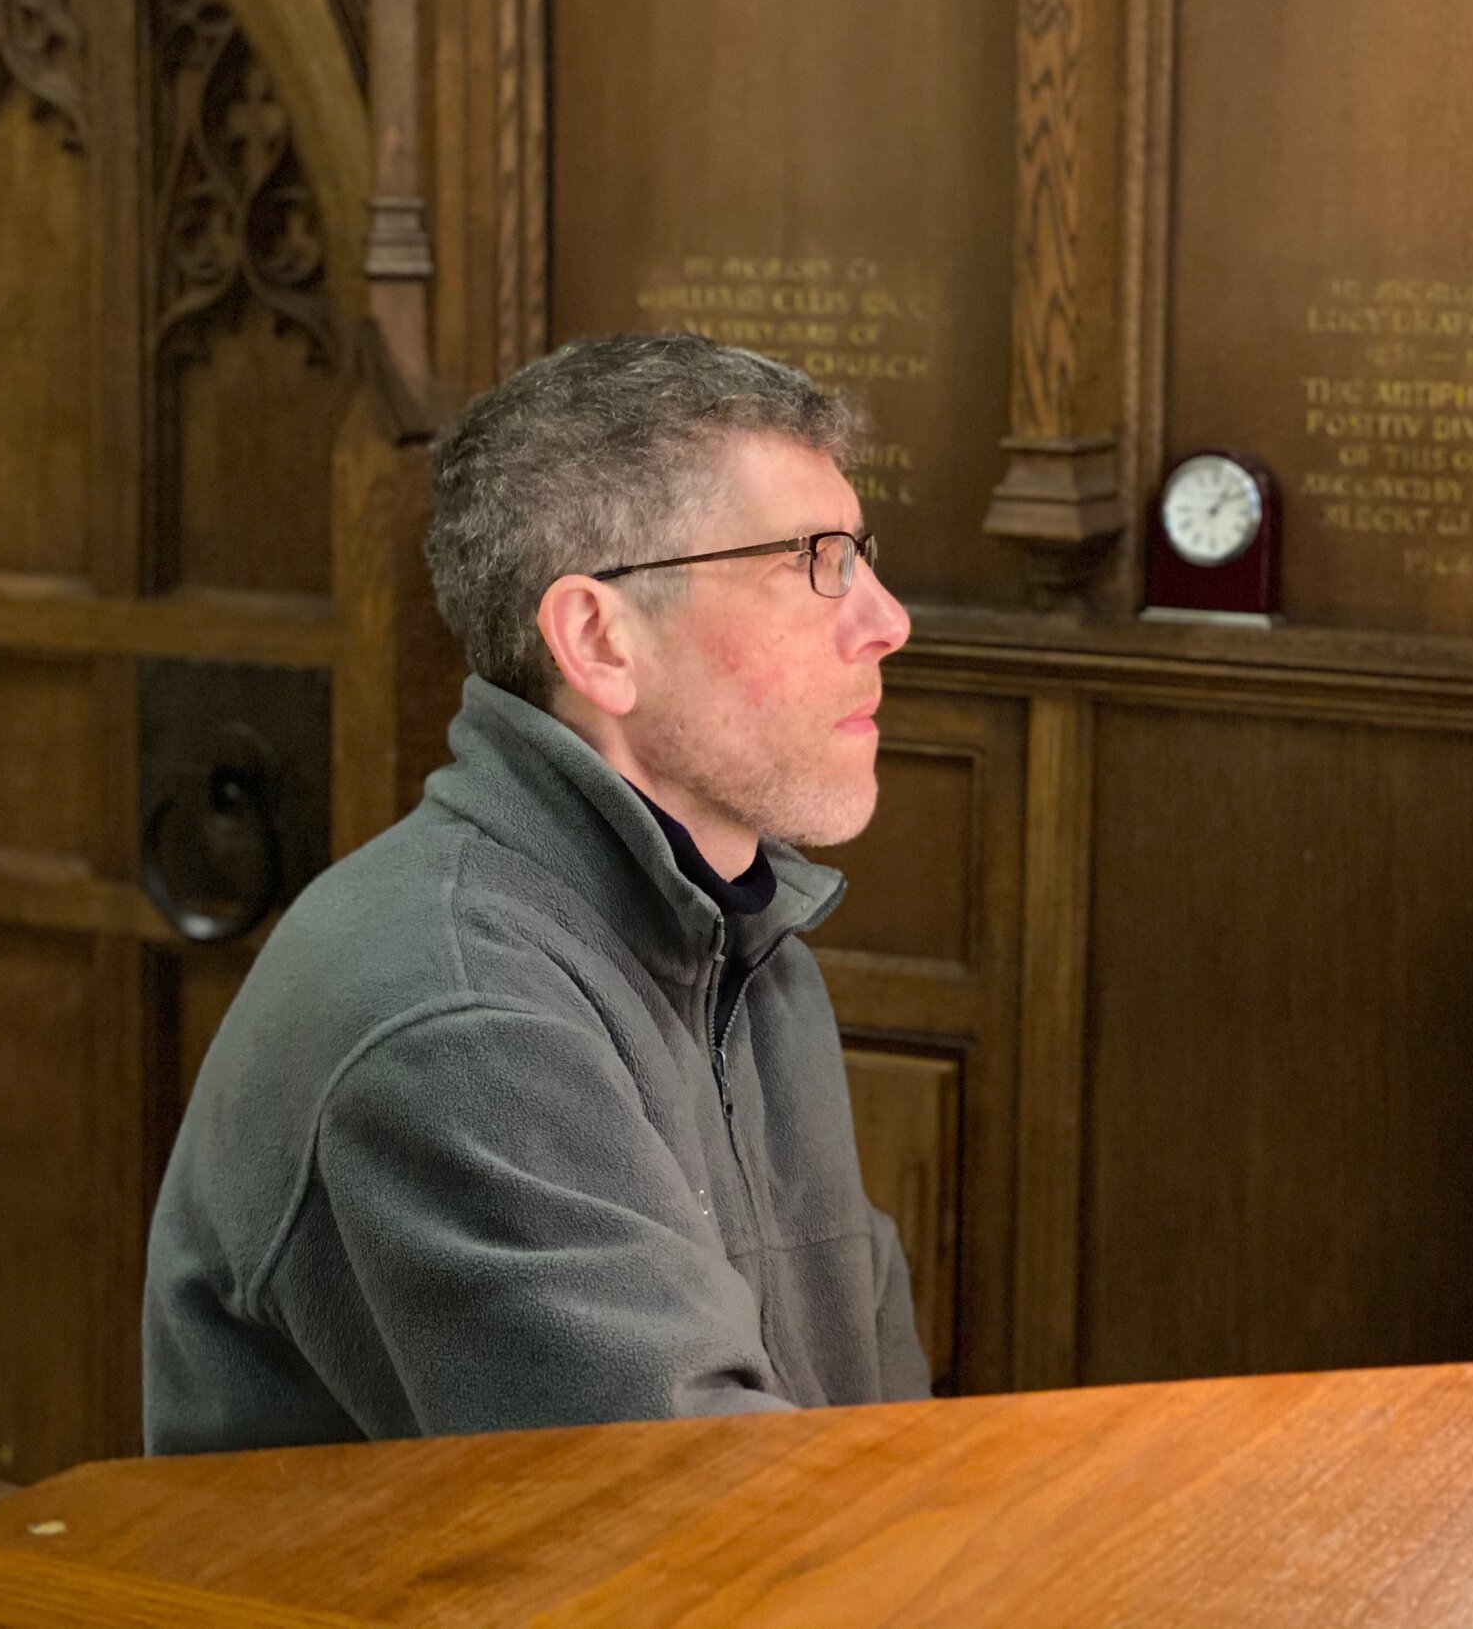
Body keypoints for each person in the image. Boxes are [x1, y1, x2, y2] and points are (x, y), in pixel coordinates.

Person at [141, 333, 927, 1453]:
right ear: (599, 640)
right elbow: (675, 1529)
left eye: (861, 552)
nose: (885, 619)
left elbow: (880, 1435)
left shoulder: (746, 939)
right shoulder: (459, 1020)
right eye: (815, 561)